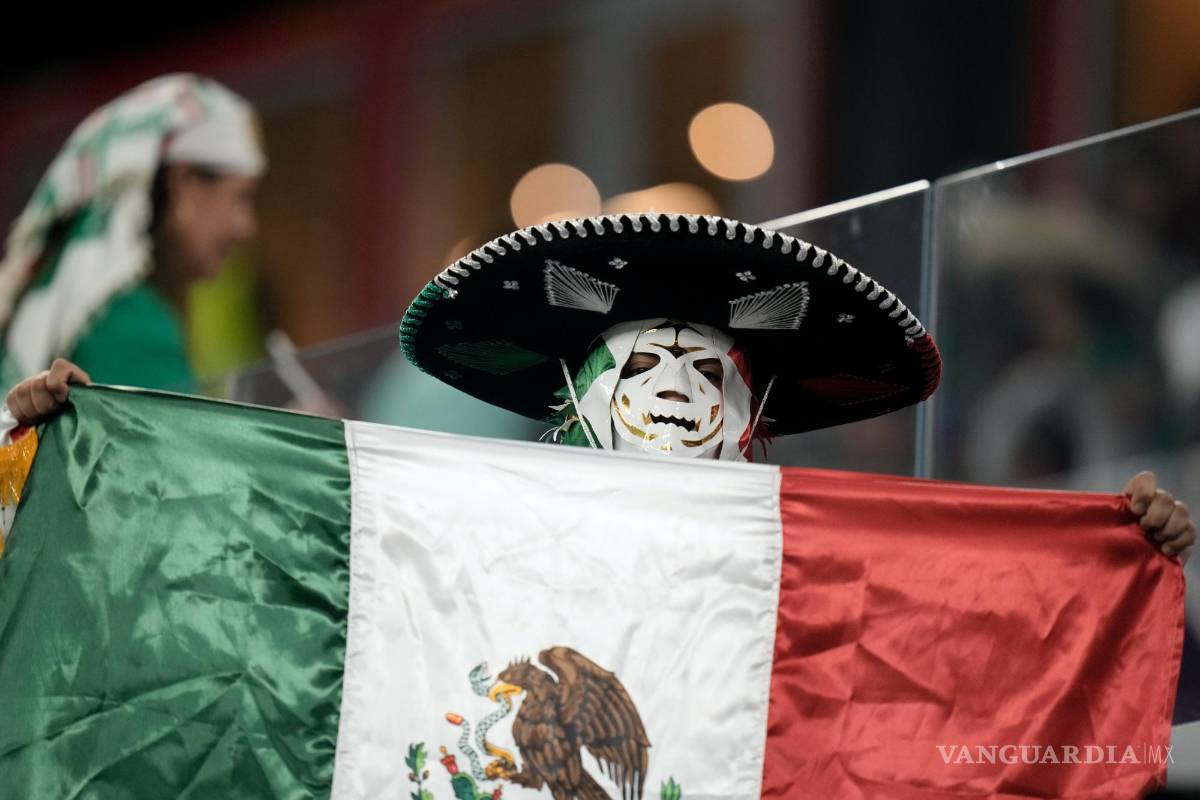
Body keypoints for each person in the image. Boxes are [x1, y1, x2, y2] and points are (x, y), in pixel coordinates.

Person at [7, 212, 1195, 561]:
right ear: (576, 404)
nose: (675, 394)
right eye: (643, 366)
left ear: (757, 424)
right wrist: (86, 466)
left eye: (707, 373)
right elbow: (259, 565)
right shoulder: (461, 543)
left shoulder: (823, 571)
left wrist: (1102, 560)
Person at [0, 73, 265, 396]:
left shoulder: (91, 309)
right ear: (184, 187)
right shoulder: (129, 324)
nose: (245, 226)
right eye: (240, 198)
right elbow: (179, 448)